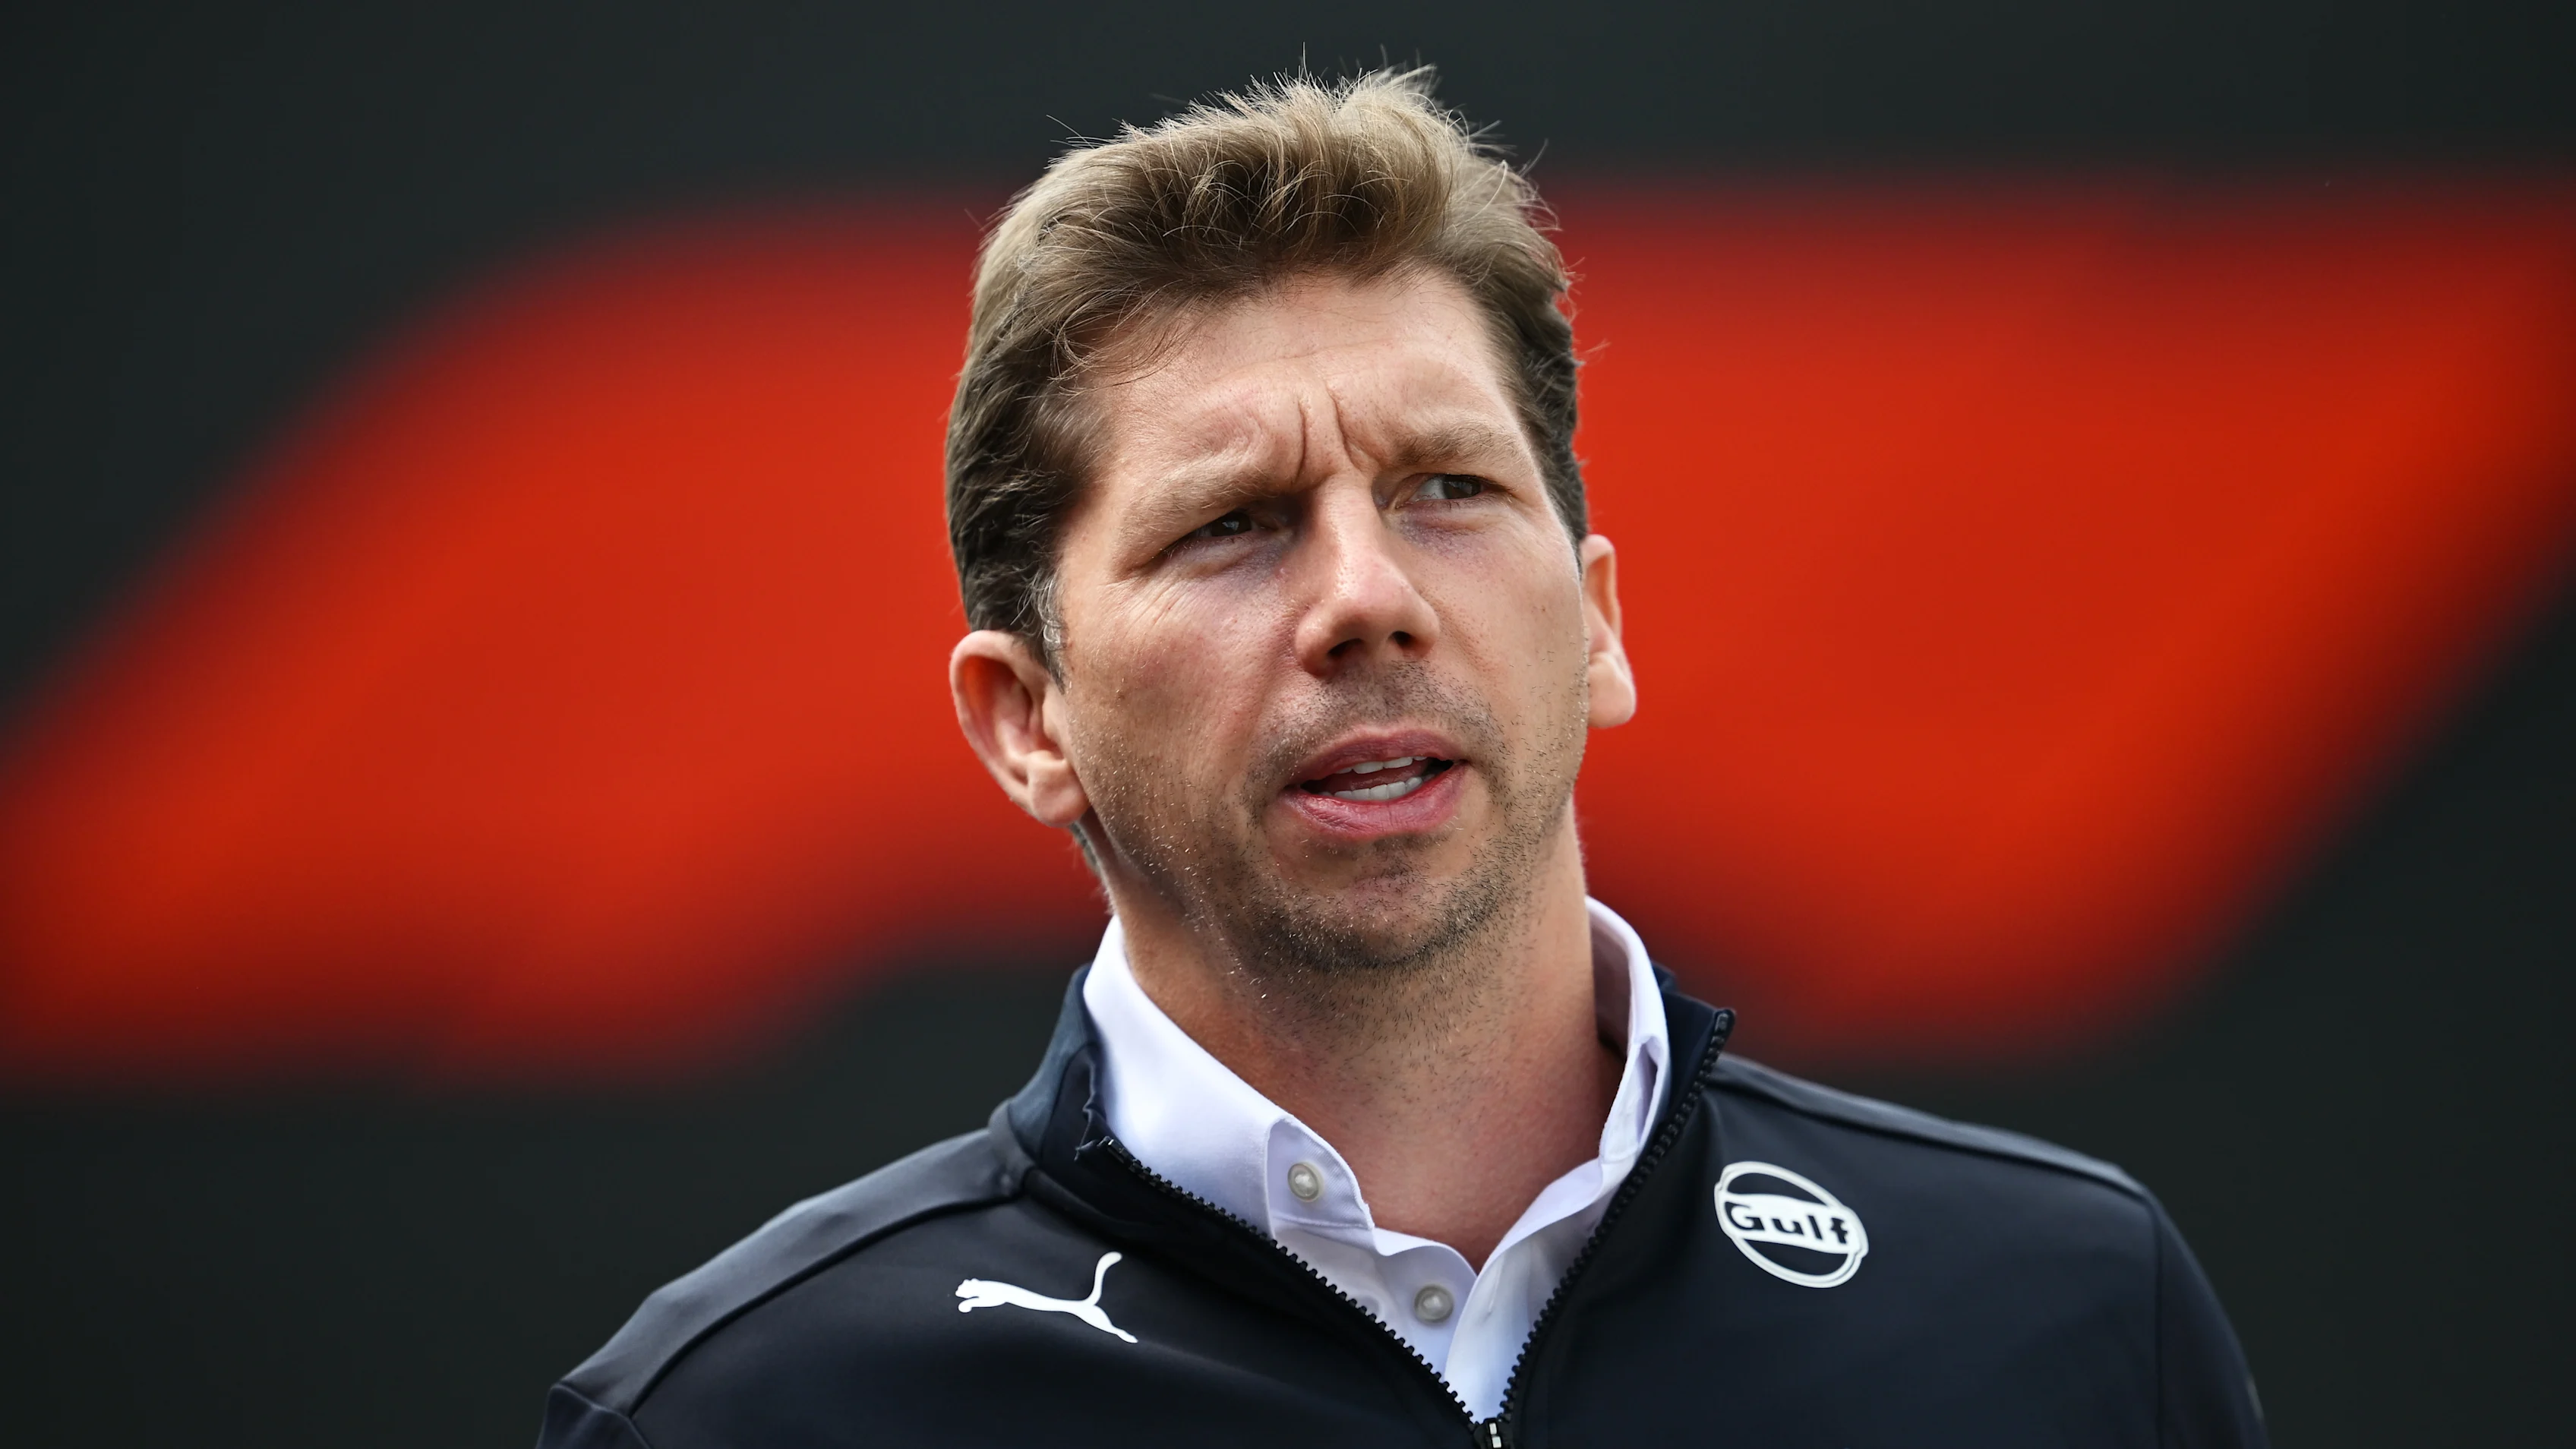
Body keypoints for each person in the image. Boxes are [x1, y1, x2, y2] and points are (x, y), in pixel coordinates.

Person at [537, 71, 2266, 1448]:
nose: (1366, 598)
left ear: (1592, 625)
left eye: (1446, 489)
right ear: (1027, 721)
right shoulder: (754, 1412)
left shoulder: (2064, 1308)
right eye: (1231, 526)